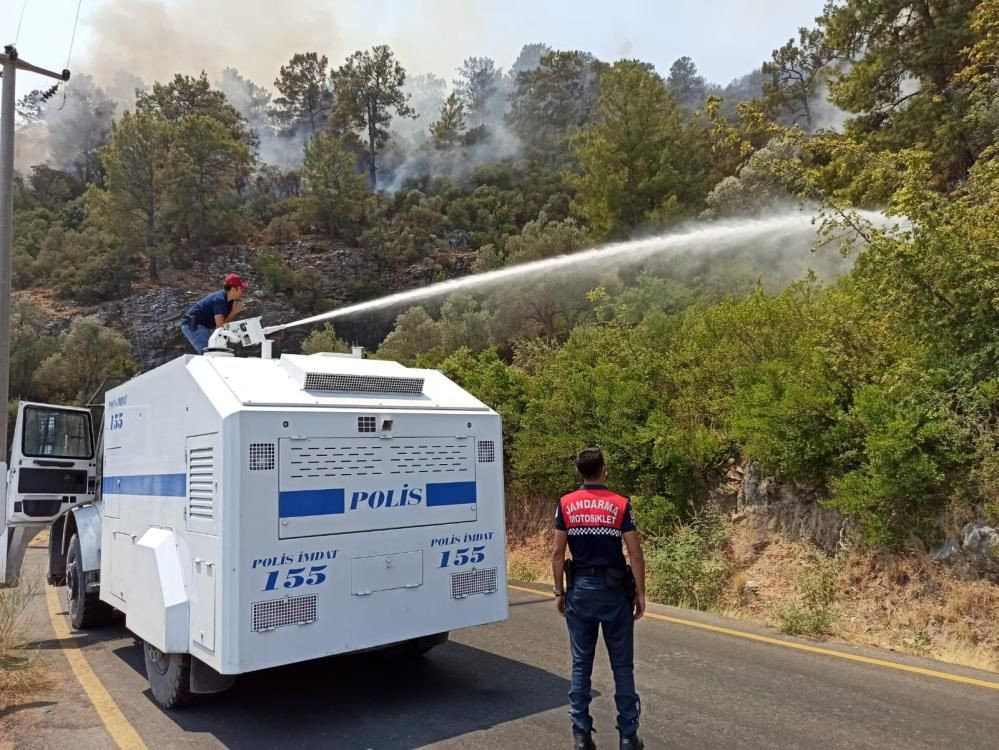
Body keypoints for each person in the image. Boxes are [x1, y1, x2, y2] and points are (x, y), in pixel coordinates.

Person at [553, 446, 646, 750]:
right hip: (614, 592)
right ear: (603, 470)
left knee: (581, 664)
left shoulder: (566, 505)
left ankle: (581, 734)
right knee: (622, 666)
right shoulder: (620, 505)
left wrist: (559, 591)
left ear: (580, 471)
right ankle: (628, 735)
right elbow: (634, 552)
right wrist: (641, 594)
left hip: (580, 590)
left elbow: (557, 554)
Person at [181, 273, 248, 354]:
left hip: (203, 326)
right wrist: (233, 312)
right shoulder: (220, 300)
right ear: (233, 289)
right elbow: (220, 327)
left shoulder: (229, 301)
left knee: (215, 351)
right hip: (193, 325)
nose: (242, 291)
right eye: (241, 288)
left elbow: (223, 325)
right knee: (210, 353)